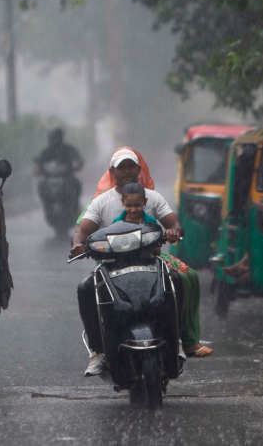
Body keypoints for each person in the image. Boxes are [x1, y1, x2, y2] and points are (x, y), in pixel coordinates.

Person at [70, 147, 212, 377]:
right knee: (86, 288)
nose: (126, 171)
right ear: (112, 172)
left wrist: (174, 230)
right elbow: (83, 229)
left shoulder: (153, 197)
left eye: (130, 166)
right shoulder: (101, 202)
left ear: (139, 169)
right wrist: (78, 243)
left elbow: (172, 222)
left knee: (179, 278)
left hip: (151, 259)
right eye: (121, 167)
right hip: (110, 264)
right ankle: (98, 351)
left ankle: (179, 340)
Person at [34, 127, 84, 202]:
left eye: (56, 137)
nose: (55, 140)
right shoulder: (46, 152)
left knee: (76, 183)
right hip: (49, 179)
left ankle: (75, 204)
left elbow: (77, 159)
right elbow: (39, 164)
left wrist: (77, 165)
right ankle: (47, 205)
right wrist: (38, 169)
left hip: (67, 177)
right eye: (53, 137)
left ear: (61, 138)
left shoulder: (68, 149)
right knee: (41, 185)